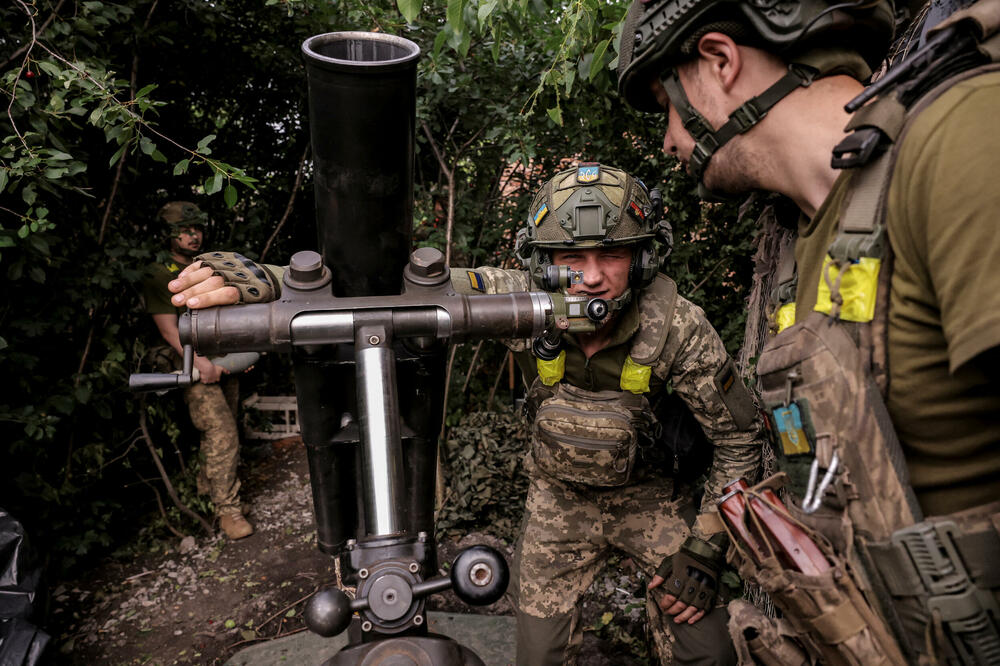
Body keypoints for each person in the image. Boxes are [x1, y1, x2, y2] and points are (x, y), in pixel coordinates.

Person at [167, 164, 765, 664]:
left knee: (708, 649)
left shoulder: (680, 329)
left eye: (610, 254)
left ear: (641, 259)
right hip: (561, 501)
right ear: (542, 262)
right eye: (569, 255)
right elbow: (409, 293)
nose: (589, 276)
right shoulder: (523, 297)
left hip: (649, 498)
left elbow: (740, 444)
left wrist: (707, 549)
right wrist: (271, 282)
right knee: (537, 656)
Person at [617, 0, 1000, 662]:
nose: (669, 141)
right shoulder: (820, 235)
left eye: (667, 105)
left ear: (720, 59)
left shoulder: (962, 140)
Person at [140, 201, 254, 540]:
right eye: (185, 230)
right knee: (220, 431)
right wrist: (200, 364)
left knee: (227, 425)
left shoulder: (204, 266)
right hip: (189, 361)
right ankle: (228, 512)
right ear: (168, 233)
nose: (194, 235)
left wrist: (237, 358)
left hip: (220, 356)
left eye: (197, 228)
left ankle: (213, 493)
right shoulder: (158, 272)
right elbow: (167, 329)